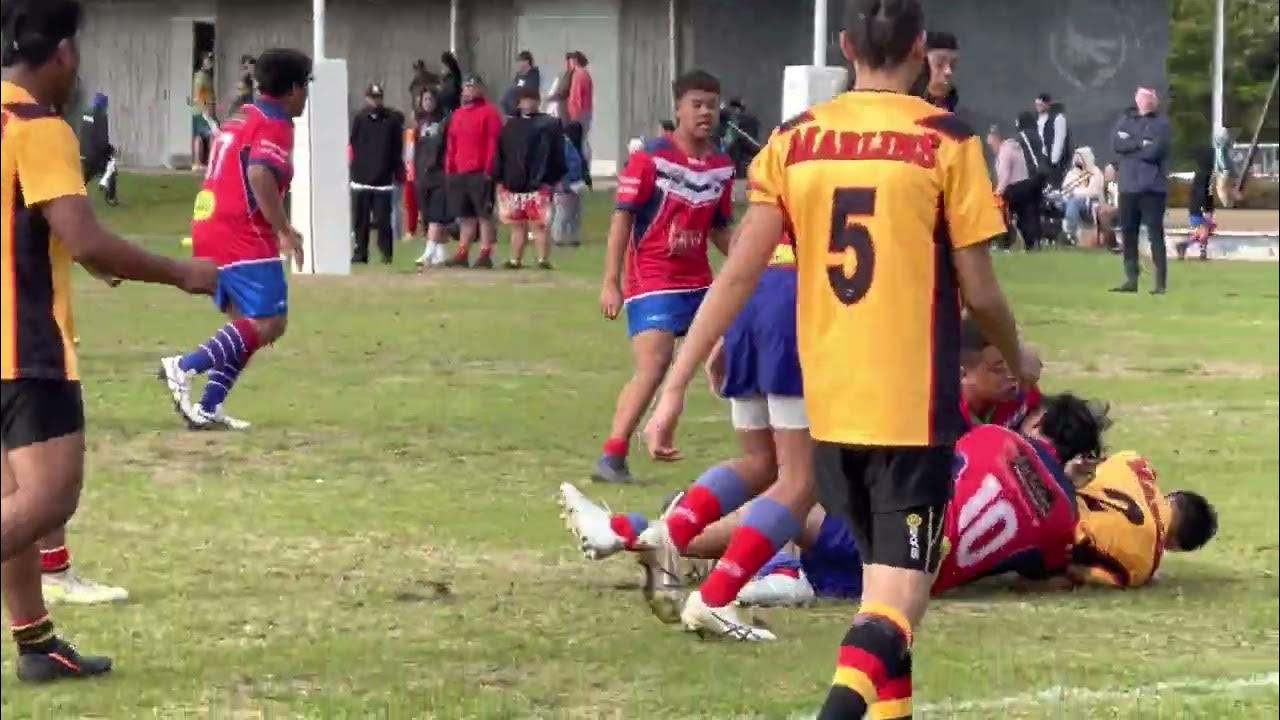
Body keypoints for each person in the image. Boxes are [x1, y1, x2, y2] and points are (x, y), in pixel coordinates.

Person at [644, 0, 1027, 715]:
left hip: (829, 409)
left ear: (847, 46)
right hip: (908, 410)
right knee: (896, 605)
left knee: (886, 604)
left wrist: (671, 388)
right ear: (920, 50)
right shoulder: (948, 140)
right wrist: (1018, 354)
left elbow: (734, 276)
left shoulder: (795, 140)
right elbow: (979, 290)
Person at [2, 0, 217, 682]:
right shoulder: (37, 126)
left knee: (11, 499)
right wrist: (184, 273)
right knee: (49, 500)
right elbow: (87, 234)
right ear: (62, 52)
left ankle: (36, 644)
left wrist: (83, 251)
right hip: (24, 342)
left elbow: (44, 225)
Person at [629, 233, 818, 640]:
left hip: (750, 299)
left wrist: (720, 339)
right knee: (800, 479)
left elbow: (742, 252)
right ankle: (716, 597)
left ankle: (672, 531)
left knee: (760, 462)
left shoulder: (778, 169)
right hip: (798, 301)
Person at [593, 69, 735, 485]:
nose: (705, 112)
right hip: (652, 280)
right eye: (697, 104)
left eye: (711, 104)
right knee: (654, 366)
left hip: (700, 282)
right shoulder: (650, 158)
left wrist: (759, 262)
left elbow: (720, 228)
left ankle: (771, 455)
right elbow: (622, 220)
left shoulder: (722, 167)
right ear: (678, 108)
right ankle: (612, 455)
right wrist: (610, 281)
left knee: (732, 354)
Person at [157, 48, 311, 430]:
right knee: (270, 321)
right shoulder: (275, 124)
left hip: (210, 221)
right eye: (305, 86)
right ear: (292, 89)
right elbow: (260, 175)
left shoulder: (242, 115)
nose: (306, 95)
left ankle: (209, 407)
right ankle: (184, 366)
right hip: (240, 228)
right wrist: (283, 229)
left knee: (246, 325)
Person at [933, 394, 1103, 594]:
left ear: (1038, 422)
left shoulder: (992, 435)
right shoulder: (1065, 520)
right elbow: (1048, 581)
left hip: (900, 537)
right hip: (925, 580)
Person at [1071, 452, 1217, 588]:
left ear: (1173, 496)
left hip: (1054, 488)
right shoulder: (1143, 566)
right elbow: (1081, 574)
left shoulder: (1134, 461)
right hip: (1058, 535)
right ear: (1176, 546)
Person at [496, 87, 564, 269]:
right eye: (524, 100)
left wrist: (555, 178)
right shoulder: (509, 127)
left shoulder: (549, 125)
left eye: (531, 99)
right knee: (517, 224)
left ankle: (543, 259)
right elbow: (501, 154)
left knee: (539, 224)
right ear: (518, 103)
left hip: (539, 183)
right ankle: (515, 259)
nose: (528, 103)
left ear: (538, 101)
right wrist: (500, 179)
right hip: (514, 183)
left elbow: (557, 154)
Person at [1111, 86, 1171, 294]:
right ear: (1136, 99)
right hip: (1128, 187)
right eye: (1143, 97)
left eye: (1150, 97)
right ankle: (1130, 280)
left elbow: (1155, 151)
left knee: (1155, 234)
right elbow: (1117, 144)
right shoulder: (1125, 119)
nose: (1147, 101)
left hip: (1152, 188)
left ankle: (1160, 283)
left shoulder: (1162, 123)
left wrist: (1131, 144)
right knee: (1128, 233)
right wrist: (1140, 143)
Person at [443, 74, 502, 269]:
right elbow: (452, 143)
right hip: (460, 171)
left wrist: (489, 168)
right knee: (465, 215)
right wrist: (449, 167)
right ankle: (463, 252)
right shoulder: (458, 114)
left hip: (480, 171)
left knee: (483, 214)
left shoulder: (489, 113)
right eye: (466, 87)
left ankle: (485, 253)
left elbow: (493, 142)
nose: (468, 90)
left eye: (472, 86)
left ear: (480, 89)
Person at [348, 83, 404, 264]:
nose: (376, 101)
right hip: (361, 178)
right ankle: (360, 252)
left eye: (378, 97)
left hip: (383, 179)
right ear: (366, 99)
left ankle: (386, 253)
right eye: (372, 97)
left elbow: (397, 148)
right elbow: (353, 144)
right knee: (360, 220)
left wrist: (396, 170)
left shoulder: (392, 121)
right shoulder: (359, 119)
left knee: (383, 221)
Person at [412, 90, 451, 268]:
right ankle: (441, 252)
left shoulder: (444, 121)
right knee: (429, 215)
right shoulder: (418, 123)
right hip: (422, 175)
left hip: (439, 174)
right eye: (424, 99)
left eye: (430, 98)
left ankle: (428, 253)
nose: (427, 102)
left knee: (436, 215)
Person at [990, 121, 1042, 251]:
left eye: (991, 138)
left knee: (1001, 215)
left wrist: (998, 192)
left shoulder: (1005, 151)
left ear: (997, 138)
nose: (989, 142)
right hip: (1025, 186)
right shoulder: (1015, 147)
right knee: (1025, 217)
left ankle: (1004, 243)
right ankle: (1031, 244)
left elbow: (1005, 175)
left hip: (1014, 189)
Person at [551, 120, 588, 248]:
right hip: (566, 183)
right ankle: (558, 238)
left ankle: (572, 237)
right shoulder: (563, 145)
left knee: (575, 213)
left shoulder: (573, 145)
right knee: (563, 213)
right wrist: (563, 183)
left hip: (575, 183)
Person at [1177, 144, 1217, 261]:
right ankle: (1185, 245)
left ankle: (1199, 251)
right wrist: (1204, 207)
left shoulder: (1205, 174)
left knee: (1205, 230)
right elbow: (1201, 192)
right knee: (1204, 231)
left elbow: (1207, 191)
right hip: (1201, 206)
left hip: (1205, 205)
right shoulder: (1203, 175)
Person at [79, 91, 118, 206]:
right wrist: (109, 149)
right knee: (111, 170)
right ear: (103, 105)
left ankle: (73, 198)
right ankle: (110, 198)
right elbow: (102, 139)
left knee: (84, 177)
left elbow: (84, 134)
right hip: (96, 155)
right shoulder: (101, 116)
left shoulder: (86, 114)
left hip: (83, 152)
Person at [1059, 146, 1104, 244]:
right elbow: (1065, 188)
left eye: (1079, 157)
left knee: (1073, 203)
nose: (1076, 159)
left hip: (1088, 203)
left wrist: (1076, 192)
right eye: (1075, 157)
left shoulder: (1095, 173)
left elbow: (1092, 192)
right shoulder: (1072, 173)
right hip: (1068, 199)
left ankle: (1071, 233)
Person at [916, 30, 958, 111]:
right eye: (939, 64)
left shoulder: (958, 117)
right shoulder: (898, 109)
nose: (948, 71)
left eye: (953, 65)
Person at [1034, 93, 1071, 186]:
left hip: (1052, 162)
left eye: (1041, 104)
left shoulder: (1057, 118)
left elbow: (1059, 141)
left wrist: (1054, 161)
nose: (1038, 107)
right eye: (1037, 105)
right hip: (1039, 160)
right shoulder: (1037, 120)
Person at [566, 52, 594, 160]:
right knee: (584, 139)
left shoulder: (578, 75)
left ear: (575, 61)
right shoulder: (585, 74)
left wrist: (574, 115)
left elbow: (576, 97)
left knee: (580, 141)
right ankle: (585, 165)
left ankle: (583, 165)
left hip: (579, 113)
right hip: (586, 111)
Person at [191, 51, 216, 171]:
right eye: (209, 60)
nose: (211, 63)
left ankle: (199, 162)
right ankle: (205, 162)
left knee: (200, 136)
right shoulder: (201, 76)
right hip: (202, 110)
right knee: (211, 135)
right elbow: (198, 94)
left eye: (211, 60)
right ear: (203, 61)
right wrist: (205, 109)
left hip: (201, 110)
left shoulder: (204, 76)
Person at [501, 50, 542, 117]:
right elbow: (517, 84)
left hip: (530, 97)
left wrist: (518, 88)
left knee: (511, 92)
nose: (518, 64)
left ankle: (512, 114)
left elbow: (531, 89)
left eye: (520, 61)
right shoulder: (520, 75)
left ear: (526, 61)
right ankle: (509, 115)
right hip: (519, 96)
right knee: (507, 93)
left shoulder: (534, 74)